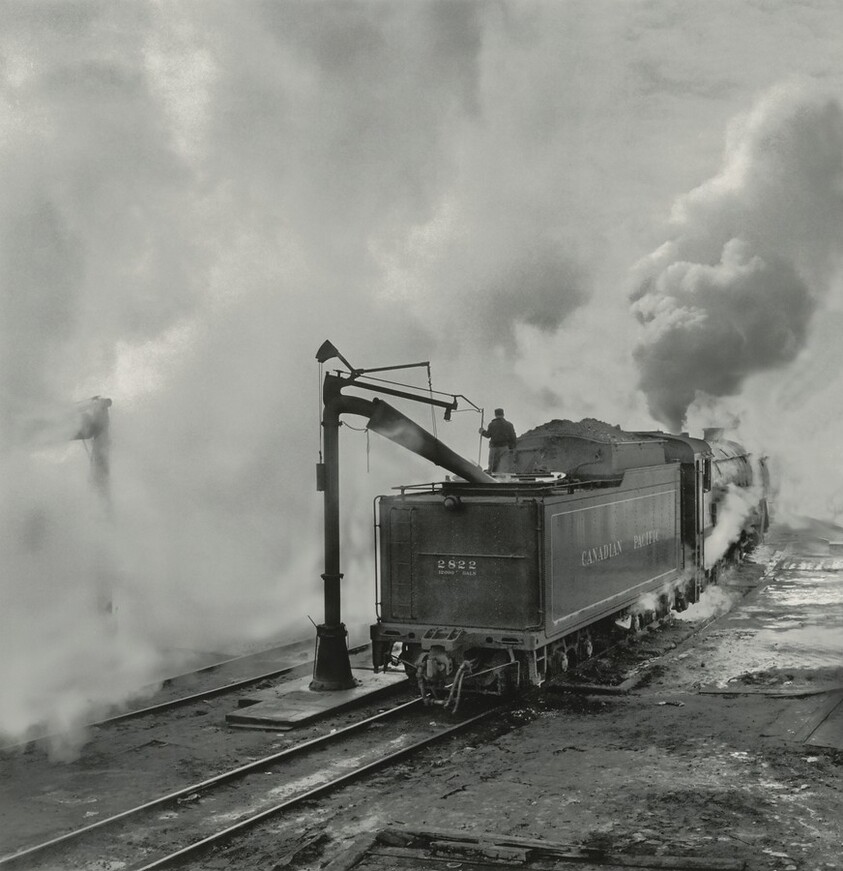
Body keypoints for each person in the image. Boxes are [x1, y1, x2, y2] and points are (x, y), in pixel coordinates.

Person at [479, 408, 517, 473]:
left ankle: (490, 478)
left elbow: (488, 435)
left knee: (492, 465)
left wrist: (482, 431)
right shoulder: (509, 425)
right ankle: (503, 479)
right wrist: (512, 448)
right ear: (503, 414)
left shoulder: (492, 424)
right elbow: (513, 437)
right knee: (504, 466)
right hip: (505, 447)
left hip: (494, 448)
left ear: (495, 415)